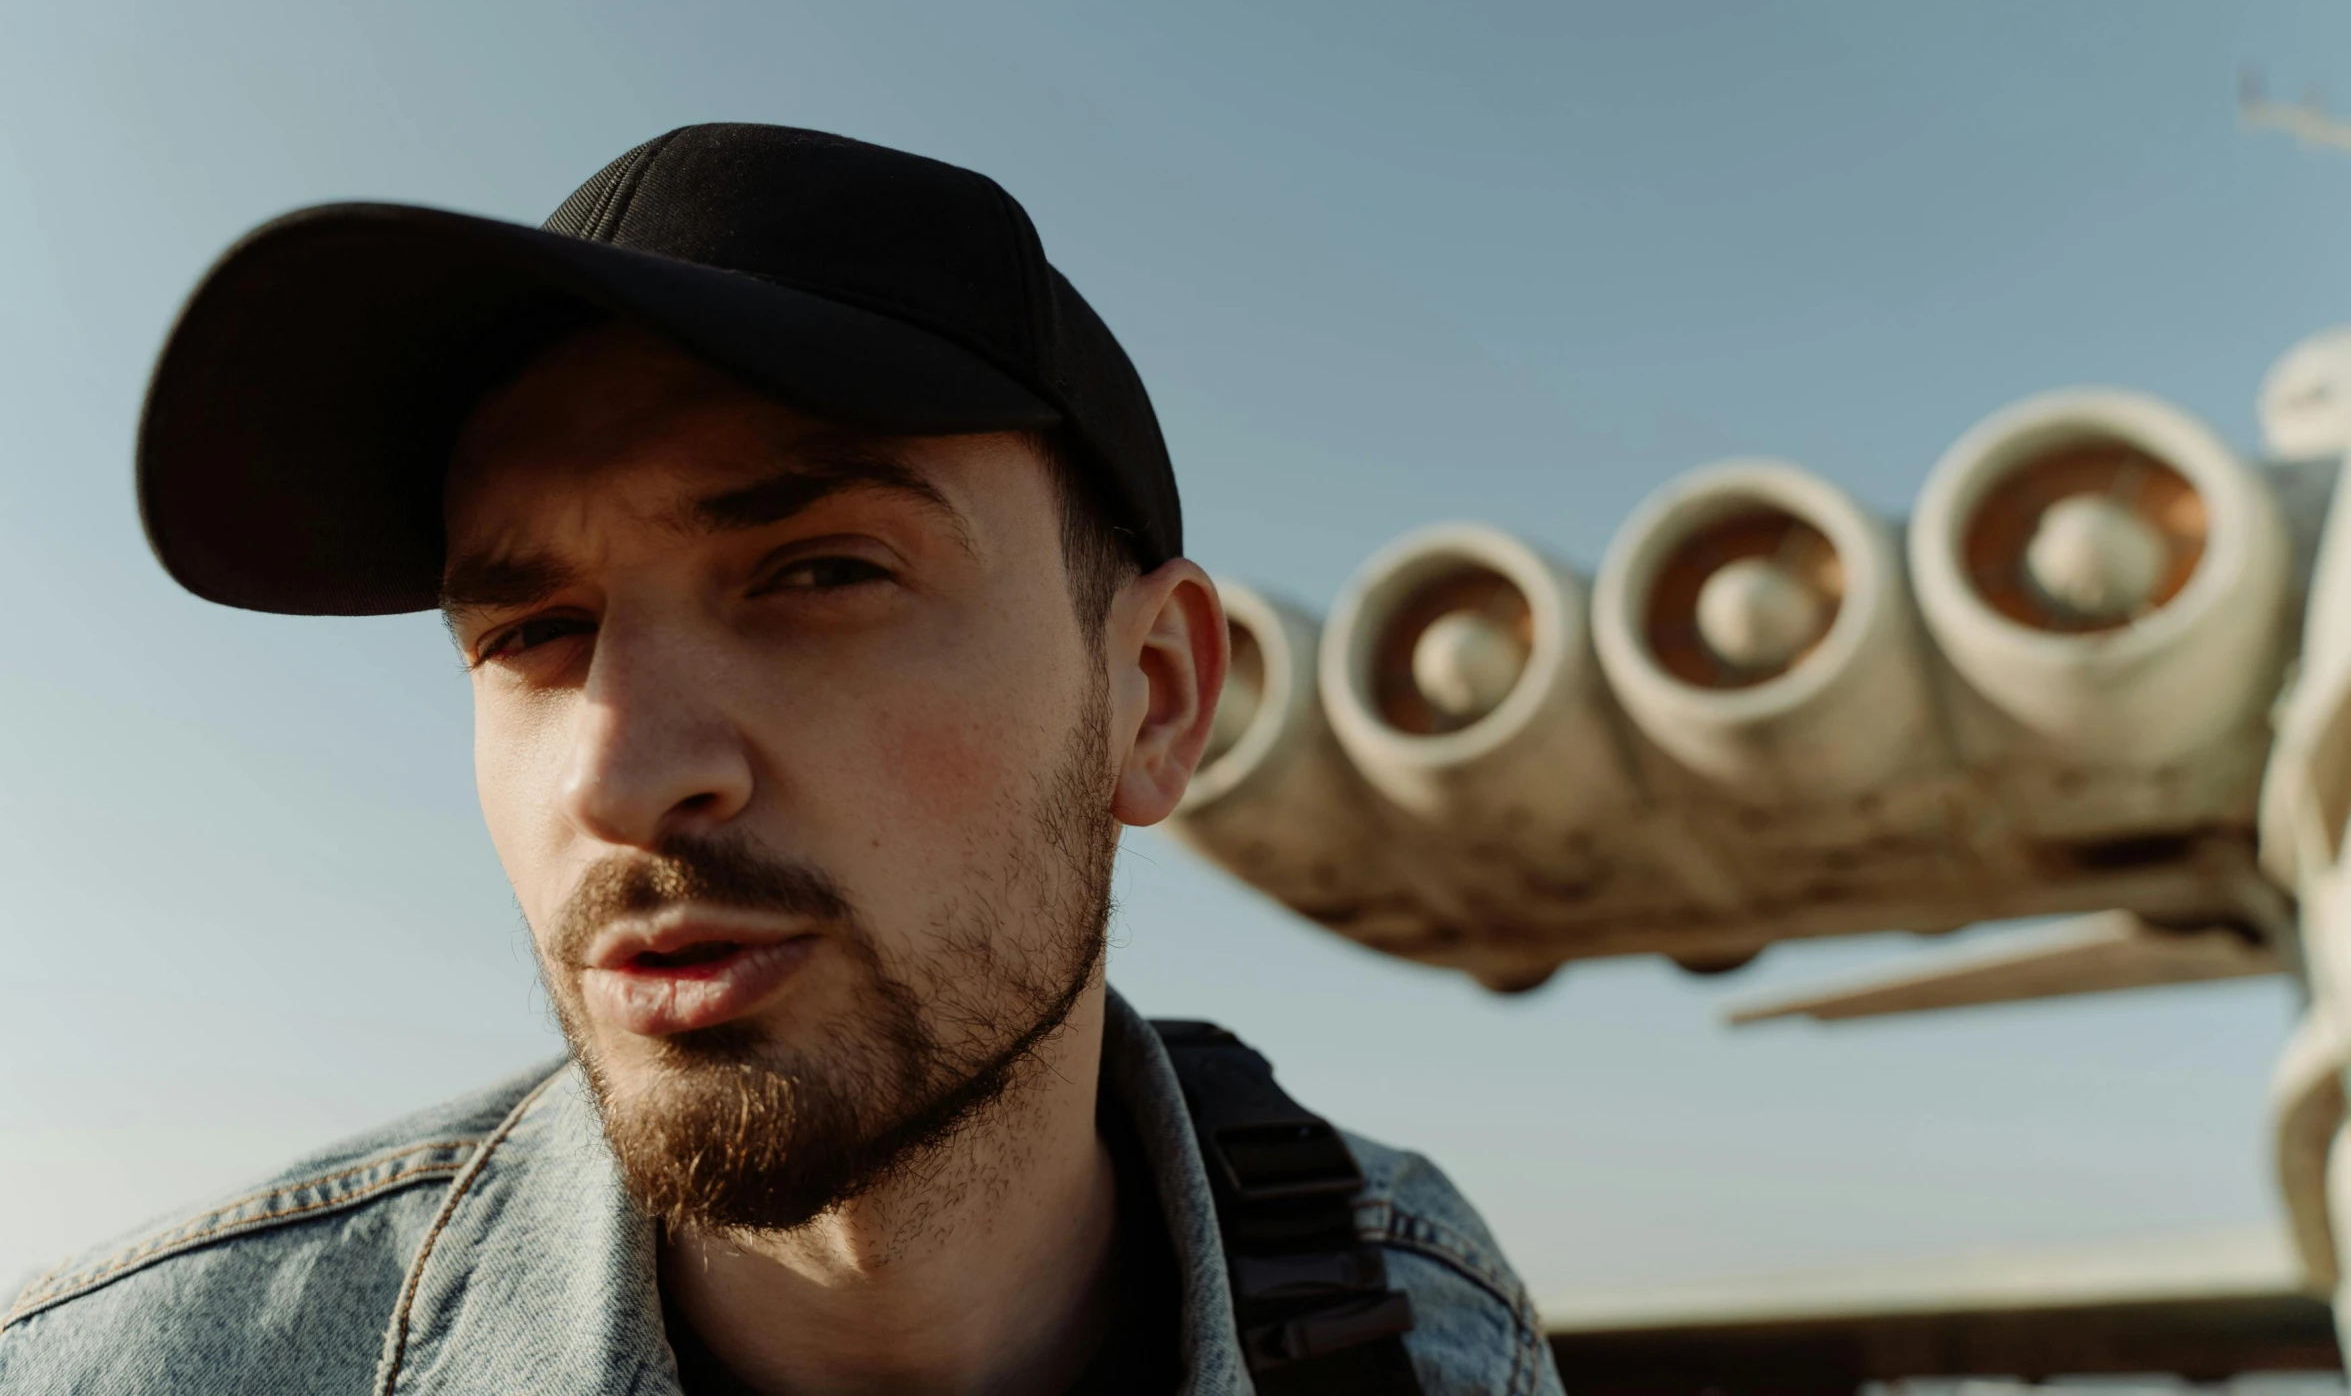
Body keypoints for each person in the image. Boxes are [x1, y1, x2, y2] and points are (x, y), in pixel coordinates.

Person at [0, 125, 1562, 1395]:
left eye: (819, 573)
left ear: (1151, 696)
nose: (618, 778)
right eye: (534, 629)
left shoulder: (1425, 1328)